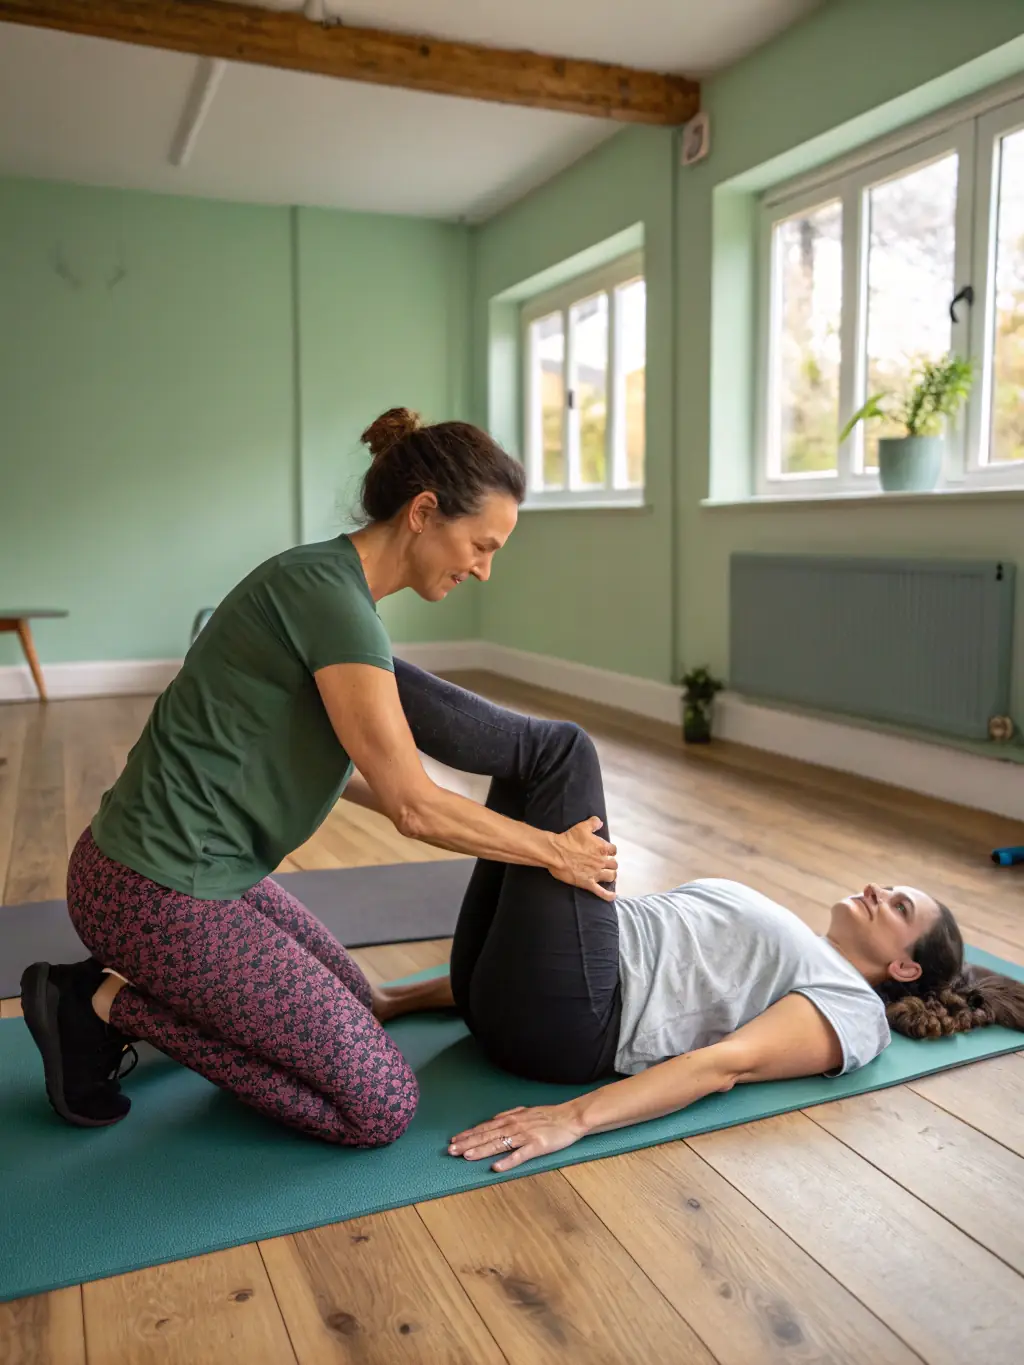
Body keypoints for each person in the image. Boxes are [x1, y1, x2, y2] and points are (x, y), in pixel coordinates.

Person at [20, 409, 617, 1145]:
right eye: (481, 545)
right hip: (152, 891)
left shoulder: (328, 586)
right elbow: (413, 808)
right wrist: (555, 851)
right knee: (380, 1106)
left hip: (200, 876)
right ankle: (97, 999)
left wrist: (458, 811)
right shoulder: (334, 605)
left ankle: (138, 993)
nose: (483, 568)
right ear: (424, 512)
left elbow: (360, 775)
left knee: (362, 1001)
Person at [368, 665, 1024, 1173]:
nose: (878, 889)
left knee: (564, 753)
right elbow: (588, 944)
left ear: (905, 965)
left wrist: (574, 1119)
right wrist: (397, 1000)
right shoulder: (798, 945)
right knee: (525, 771)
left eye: (898, 906)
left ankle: (346, 659)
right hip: (504, 989)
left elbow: (724, 1064)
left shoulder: (852, 1007)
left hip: (571, 1023)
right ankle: (350, 667)